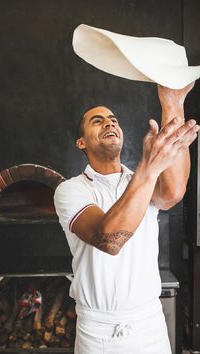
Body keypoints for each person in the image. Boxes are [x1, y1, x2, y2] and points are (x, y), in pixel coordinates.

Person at [54, 82, 199, 354]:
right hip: (99, 333)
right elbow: (108, 241)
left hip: (150, 325)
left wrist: (172, 103)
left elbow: (173, 192)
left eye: (113, 120)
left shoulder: (142, 178)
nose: (109, 124)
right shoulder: (71, 190)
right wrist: (150, 166)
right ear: (81, 142)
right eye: (97, 121)